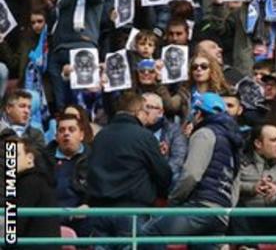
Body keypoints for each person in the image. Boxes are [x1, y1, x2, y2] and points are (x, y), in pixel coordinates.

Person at [139, 92, 244, 248]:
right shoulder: (233, 141)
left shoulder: (205, 133)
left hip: (200, 207)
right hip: (220, 215)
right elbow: (236, 183)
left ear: (199, 113)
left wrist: (174, 201)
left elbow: (191, 175)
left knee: (150, 234)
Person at [87, 92, 172, 241]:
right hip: (132, 210)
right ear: (138, 112)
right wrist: (160, 195)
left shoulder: (100, 136)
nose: (147, 116)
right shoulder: (144, 136)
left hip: (99, 211)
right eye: (145, 112)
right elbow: (163, 173)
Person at [231, 123, 276, 237]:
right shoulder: (241, 164)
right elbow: (229, 186)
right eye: (274, 140)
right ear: (258, 143)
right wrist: (252, 188)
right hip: (250, 219)